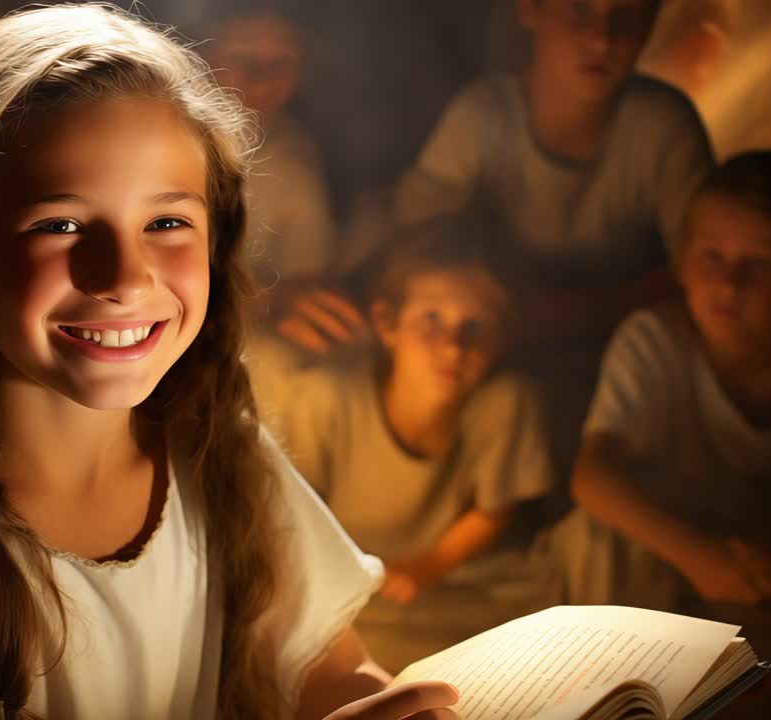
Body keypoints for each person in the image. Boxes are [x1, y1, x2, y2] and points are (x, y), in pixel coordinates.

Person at [0, 6, 459, 719]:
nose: (124, 277)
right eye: (61, 223)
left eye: (166, 222)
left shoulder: (219, 454)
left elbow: (327, 670)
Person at [284, 0, 716, 509]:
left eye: (624, 19)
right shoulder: (485, 117)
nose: (600, 40)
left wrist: (561, 313)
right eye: (579, 11)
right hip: (492, 342)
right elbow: (417, 236)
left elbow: (706, 268)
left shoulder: (661, 126)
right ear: (530, 10)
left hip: (615, 355)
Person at [553, 150, 771, 615]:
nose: (729, 283)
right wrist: (701, 558)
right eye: (712, 256)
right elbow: (592, 476)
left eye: (761, 264)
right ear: (681, 265)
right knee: (594, 534)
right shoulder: (654, 337)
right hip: (680, 554)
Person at [268, 215, 555, 671]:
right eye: (432, 319)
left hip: (461, 587)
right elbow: (293, 516)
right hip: (353, 598)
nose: (453, 347)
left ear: (503, 336)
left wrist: (426, 568)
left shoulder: (506, 404)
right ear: (387, 322)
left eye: (475, 326)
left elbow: (495, 508)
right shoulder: (328, 401)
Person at [201, 6, 336, 292]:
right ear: (202, 57)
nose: (262, 79)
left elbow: (304, 273)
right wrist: (267, 300)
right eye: (241, 58)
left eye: (282, 63)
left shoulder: (294, 153)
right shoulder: (166, 142)